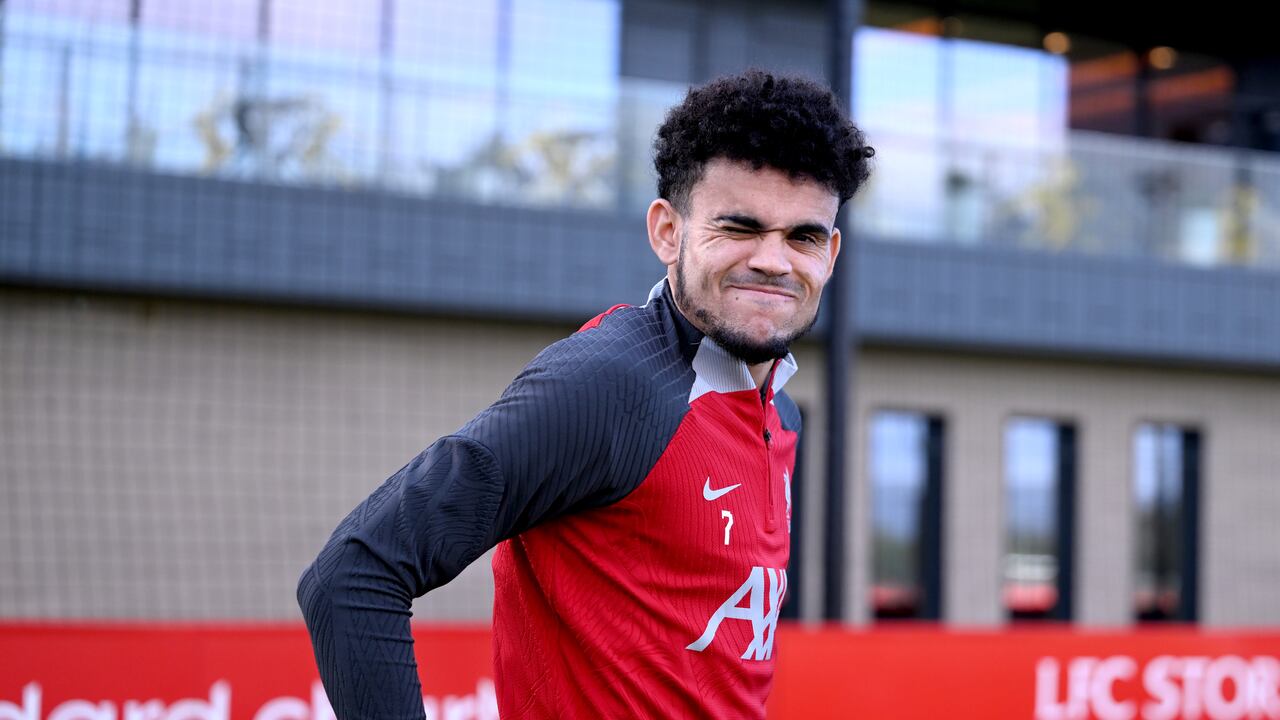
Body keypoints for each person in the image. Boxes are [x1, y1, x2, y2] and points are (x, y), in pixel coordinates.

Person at [296, 68, 874, 719]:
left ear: (831, 254)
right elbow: (354, 575)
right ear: (668, 232)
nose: (773, 260)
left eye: (803, 237)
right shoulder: (607, 384)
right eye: (738, 228)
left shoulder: (781, 411)